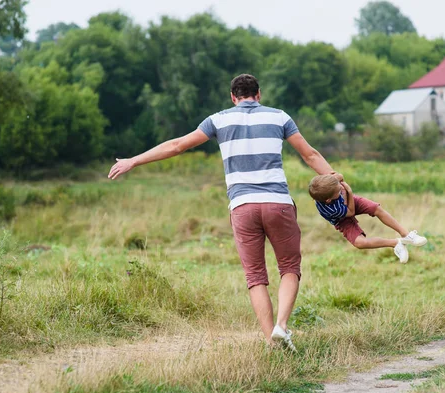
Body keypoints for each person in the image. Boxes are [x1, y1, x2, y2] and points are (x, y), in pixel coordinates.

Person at [108, 74, 338, 351]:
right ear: (259, 94)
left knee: (255, 276)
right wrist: (338, 180)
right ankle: (282, 326)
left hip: (242, 206)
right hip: (278, 203)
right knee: (289, 267)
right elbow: (310, 155)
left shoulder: (218, 119)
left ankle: (271, 341)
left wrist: (134, 160)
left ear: (233, 96)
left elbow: (177, 145)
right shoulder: (280, 117)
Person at [308, 174, 427, 263]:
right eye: (338, 190)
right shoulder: (330, 209)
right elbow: (350, 212)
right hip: (342, 218)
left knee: (375, 208)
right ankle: (396, 243)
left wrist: (337, 179)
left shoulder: (328, 185)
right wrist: (348, 191)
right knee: (360, 243)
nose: (341, 188)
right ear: (328, 200)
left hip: (350, 201)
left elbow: (339, 176)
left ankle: (406, 235)